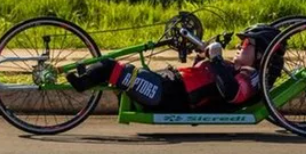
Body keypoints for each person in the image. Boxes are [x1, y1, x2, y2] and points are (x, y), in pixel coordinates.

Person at [66, 24, 282, 112]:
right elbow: (206, 77)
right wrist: (205, 55)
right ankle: (88, 77)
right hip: (168, 84)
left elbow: (232, 93)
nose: (238, 47)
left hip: (168, 95)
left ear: (261, 54)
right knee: (116, 71)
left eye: (245, 44)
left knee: (109, 66)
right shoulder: (235, 69)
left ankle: (81, 82)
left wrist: (216, 60)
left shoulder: (252, 77)